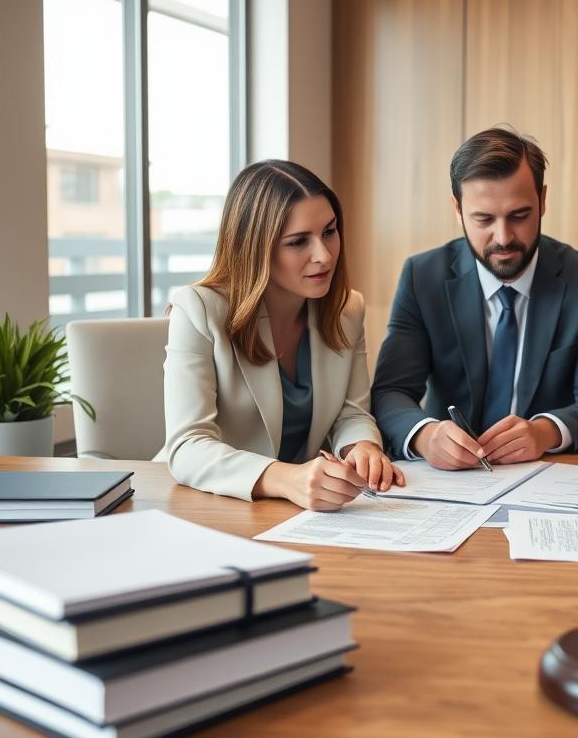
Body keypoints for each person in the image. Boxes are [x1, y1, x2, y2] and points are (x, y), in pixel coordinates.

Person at [372, 127, 578, 469]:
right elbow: (391, 391)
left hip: (545, 475)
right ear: (457, 209)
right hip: (447, 481)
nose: (503, 238)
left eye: (519, 216)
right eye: (484, 219)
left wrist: (545, 431)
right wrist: (425, 435)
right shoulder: (423, 277)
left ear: (543, 200)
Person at [161, 159, 403, 511]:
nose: (323, 256)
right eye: (298, 242)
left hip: (305, 512)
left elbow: (351, 413)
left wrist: (362, 448)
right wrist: (286, 478)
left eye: (330, 232)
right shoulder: (197, 309)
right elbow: (187, 445)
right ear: (254, 247)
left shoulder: (347, 310)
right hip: (213, 505)